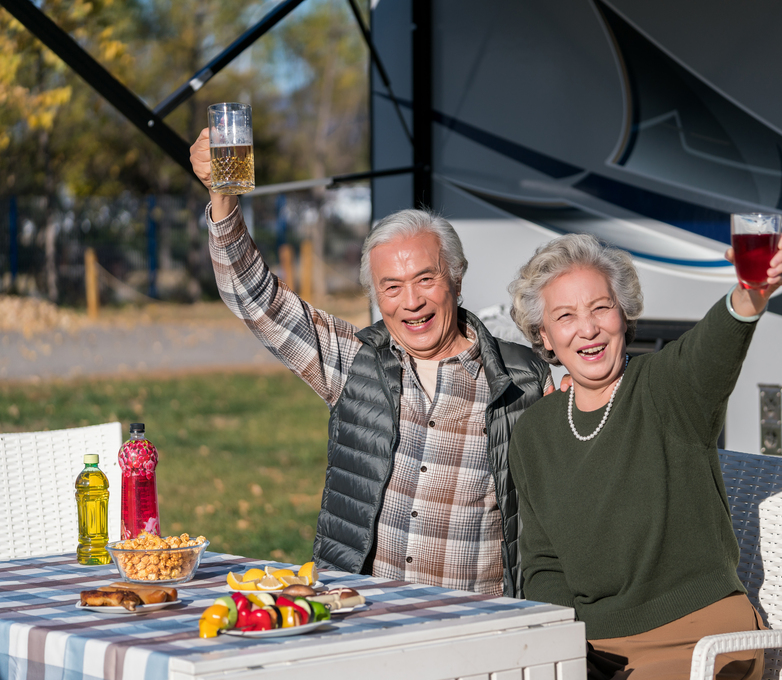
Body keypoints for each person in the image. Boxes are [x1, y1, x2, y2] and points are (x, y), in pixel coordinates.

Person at [189, 129, 552, 597]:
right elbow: (255, 298)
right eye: (392, 287)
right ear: (377, 296)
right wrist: (222, 196)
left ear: (456, 281)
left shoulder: (522, 380)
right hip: (365, 616)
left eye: (425, 279)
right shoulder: (356, 361)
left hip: (471, 624)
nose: (411, 303)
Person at [506, 232, 782, 680]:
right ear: (544, 335)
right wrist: (557, 652)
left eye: (600, 307)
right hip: (594, 650)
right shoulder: (534, 434)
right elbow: (545, 566)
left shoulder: (667, 388)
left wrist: (749, 296)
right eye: (566, 316)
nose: (588, 328)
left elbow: (713, 348)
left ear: (623, 314)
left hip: (702, 637)